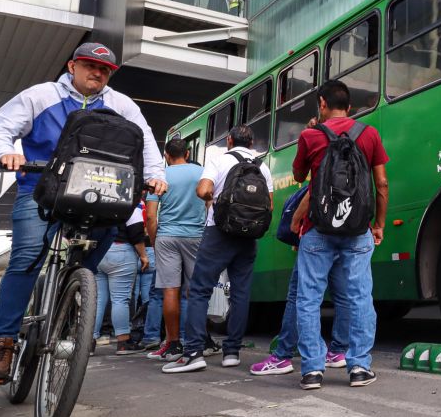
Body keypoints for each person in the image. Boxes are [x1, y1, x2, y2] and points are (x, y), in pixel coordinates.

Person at [0, 43, 167, 383]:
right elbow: (1, 129)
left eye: (105, 69)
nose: (97, 72)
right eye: (90, 65)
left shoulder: (122, 105)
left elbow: (146, 142)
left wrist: (155, 175)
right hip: (41, 189)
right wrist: (5, 153)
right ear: (71, 66)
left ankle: (71, 297)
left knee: (95, 251)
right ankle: (2, 343)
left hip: (98, 192)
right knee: (27, 257)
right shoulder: (41, 95)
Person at [292, 80, 389, 390]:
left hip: (317, 229)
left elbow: (298, 176)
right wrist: (379, 224)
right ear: (349, 106)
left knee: (309, 298)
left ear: (322, 104)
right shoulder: (369, 134)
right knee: (360, 297)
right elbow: (382, 184)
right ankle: (359, 367)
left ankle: (312, 370)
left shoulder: (310, 136)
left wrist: (310, 136)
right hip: (358, 230)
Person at [162, 125, 270, 374]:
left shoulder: (219, 160)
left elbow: (202, 190)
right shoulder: (262, 167)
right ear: (252, 143)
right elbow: (269, 205)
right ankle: (232, 352)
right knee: (240, 293)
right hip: (248, 237)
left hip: (218, 233)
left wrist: (214, 202)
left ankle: (193, 353)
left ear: (229, 140)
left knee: (199, 290)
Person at [249, 188, 352, 376]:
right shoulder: (359, 167)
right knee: (342, 295)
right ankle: (338, 351)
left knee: (300, 295)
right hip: (345, 231)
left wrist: (296, 221)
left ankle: (283, 356)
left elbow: (313, 188)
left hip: (318, 231)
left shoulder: (324, 166)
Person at [145, 138, 207, 361]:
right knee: (194, 292)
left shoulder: (160, 176)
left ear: (166, 155)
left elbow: (151, 216)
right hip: (196, 236)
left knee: (170, 290)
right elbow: (210, 203)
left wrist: (155, 241)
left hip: (167, 236)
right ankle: (193, 342)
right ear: (188, 153)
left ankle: (173, 344)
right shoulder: (201, 172)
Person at [93, 206, 146, 355]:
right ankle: (123, 342)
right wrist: (143, 255)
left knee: (98, 300)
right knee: (120, 299)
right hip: (121, 251)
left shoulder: (99, 200)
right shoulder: (130, 204)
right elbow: (136, 232)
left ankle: (88, 342)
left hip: (98, 252)